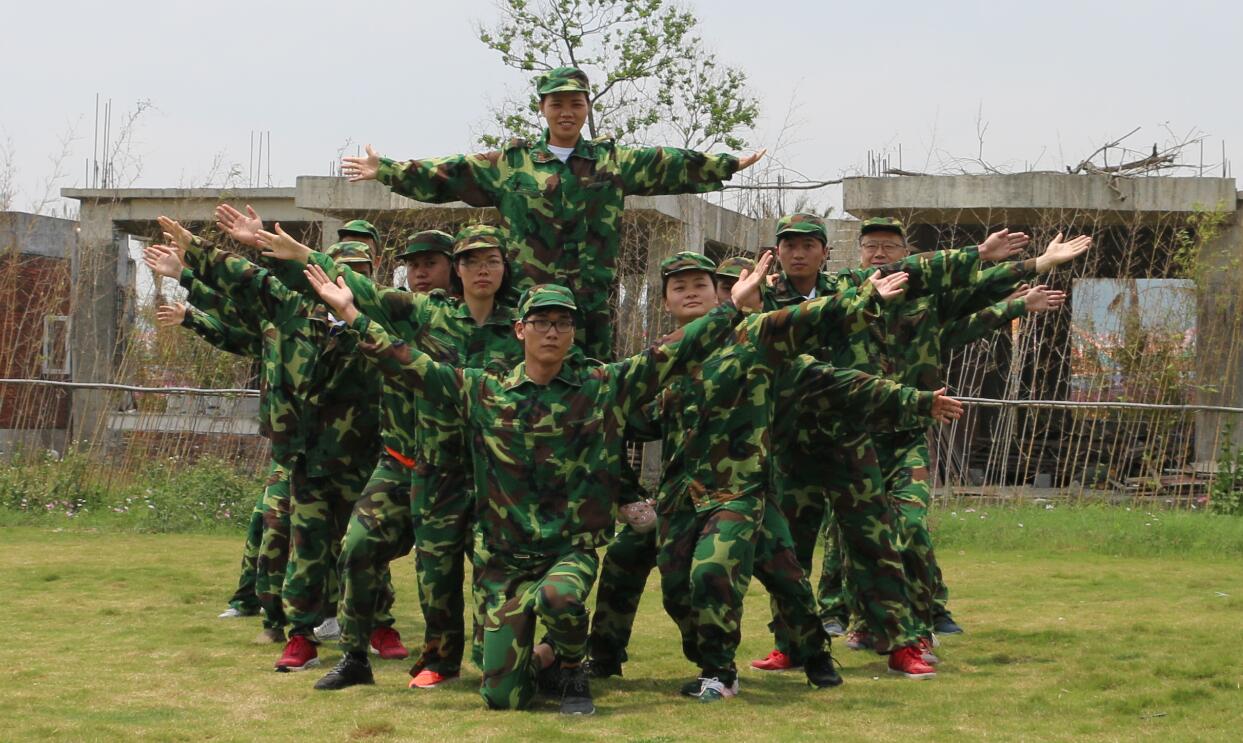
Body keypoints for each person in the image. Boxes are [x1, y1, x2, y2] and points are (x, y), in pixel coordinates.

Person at [306, 263, 773, 713]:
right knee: (502, 696)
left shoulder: (601, 387)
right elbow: (411, 364)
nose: (552, 332)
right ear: (519, 330)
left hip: (567, 553)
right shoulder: (485, 392)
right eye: (542, 322)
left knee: (559, 597)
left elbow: (674, 351)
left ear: (573, 333)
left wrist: (731, 306)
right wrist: (350, 314)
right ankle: (544, 659)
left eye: (563, 323)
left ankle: (572, 668)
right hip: (504, 561)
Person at [754, 213, 1090, 678]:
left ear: (826, 253)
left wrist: (999, 258)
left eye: (808, 245)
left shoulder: (852, 286)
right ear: (776, 252)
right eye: (789, 245)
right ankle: (792, 643)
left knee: (877, 544)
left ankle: (903, 642)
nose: (798, 254)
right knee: (790, 551)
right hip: (794, 444)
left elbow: (927, 276)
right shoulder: (765, 296)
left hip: (853, 439)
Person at [255, 223, 524, 690]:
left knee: (483, 573)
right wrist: (301, 254)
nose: (482, 270)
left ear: (505, 268)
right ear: (457, 270)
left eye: (492, 261)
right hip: (418, 463)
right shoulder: (425, 313)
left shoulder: (522, 324)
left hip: (490, 473)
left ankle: (493, 659)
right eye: (471, 261)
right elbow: (365, 291)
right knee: (361, 547)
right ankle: (356, 655)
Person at [340, 66, 766, 360]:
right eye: (557, 104)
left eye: (576, 104)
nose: (566, 113)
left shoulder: (610, 162)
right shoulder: (512, 165)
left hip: (590, 308)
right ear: (542, 108)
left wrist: (725, 163)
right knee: (524, 391)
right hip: (528, 307)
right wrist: (388, 170)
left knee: (593, 392)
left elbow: (667, 164)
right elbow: (448, 174)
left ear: (587, 108)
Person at [157, 215, 383, 673]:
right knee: (284, 531)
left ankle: (367, 623)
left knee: (360, 542)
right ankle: (283, 623)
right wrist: (191, 273)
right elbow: (244, 298)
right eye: (340, 269)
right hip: (298, 453)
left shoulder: (376, 322)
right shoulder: (291, 312)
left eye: (359, 270)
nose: (346, 279)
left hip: (358, 455)